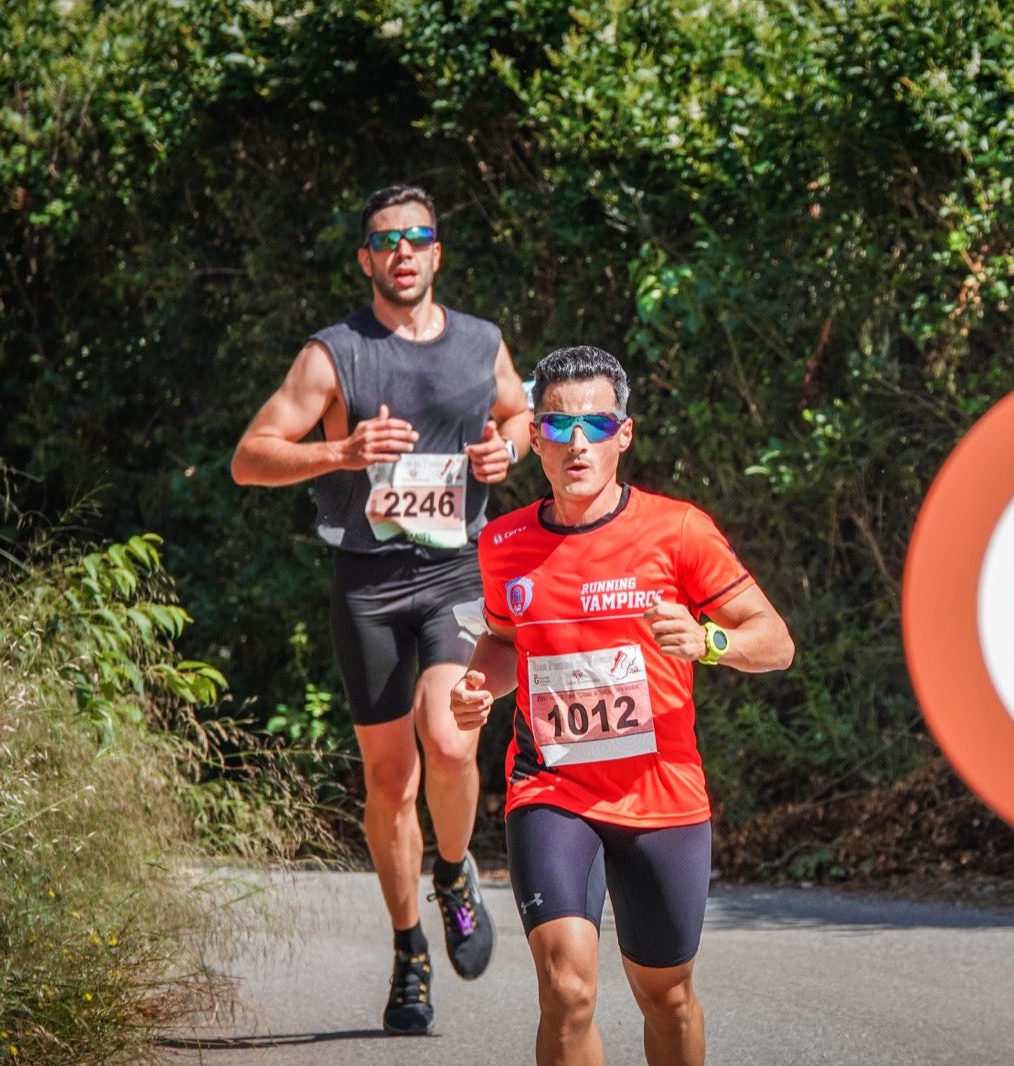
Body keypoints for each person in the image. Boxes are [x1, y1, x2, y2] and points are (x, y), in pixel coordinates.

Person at [231, 184, 530, 1036]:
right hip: (366, 583)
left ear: (438, 253)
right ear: (366, 258)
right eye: (386, 240)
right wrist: (342, 450)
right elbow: (250, 458)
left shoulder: (481, 343)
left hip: (454, 574)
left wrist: (503, 451)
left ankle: (453, 870)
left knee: (450, 738)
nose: (403, 251)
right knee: (390, 780)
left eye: (419, 237)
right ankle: (409, 950)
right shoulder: (333, 354)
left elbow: (521, 411)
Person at [449, 345, 795, 1065]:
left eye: (597, 426)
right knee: (567, 992)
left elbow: (775, 643)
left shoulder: (678, 531)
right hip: (550, 787)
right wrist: (477, 684)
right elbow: (506, 645)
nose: (579, 444)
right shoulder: (504, 543)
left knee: (666, 997)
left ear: (624, 435)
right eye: (560, 426)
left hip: (661, 795)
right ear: (535, 436)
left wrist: (706, 640)